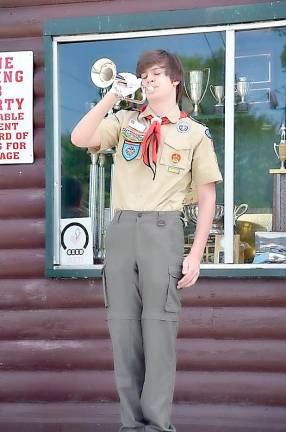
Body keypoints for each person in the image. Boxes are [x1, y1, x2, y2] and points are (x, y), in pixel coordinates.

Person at [71, 49, 222, 432]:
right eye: (144, 75)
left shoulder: (193, 133)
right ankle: (130, 425)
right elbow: (79, 137)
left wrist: (195, 254)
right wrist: (113, 95)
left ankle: (157, 425)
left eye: (157, 74)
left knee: (159, 333)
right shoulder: (122, 121)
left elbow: (207, 196)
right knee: (123, 332)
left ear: (174, 80)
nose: (149, 80)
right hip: (121, 229)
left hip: (162, 230)